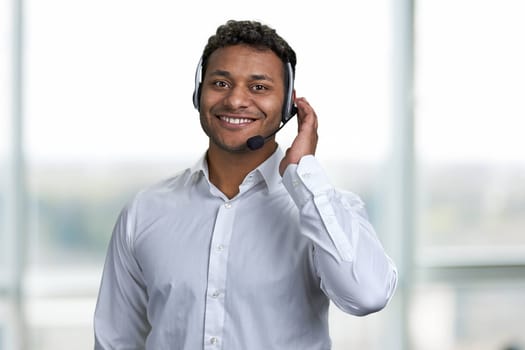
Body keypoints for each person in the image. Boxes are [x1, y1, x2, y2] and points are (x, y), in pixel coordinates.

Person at [94, 19, 398, 349]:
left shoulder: (325, 210)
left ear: (288, 105)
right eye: (221, 83)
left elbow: (367, 295)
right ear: (199, 92)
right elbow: (116, 340)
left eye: (259, 87)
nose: (236, 100)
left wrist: (303, 174)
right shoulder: (145, 210)